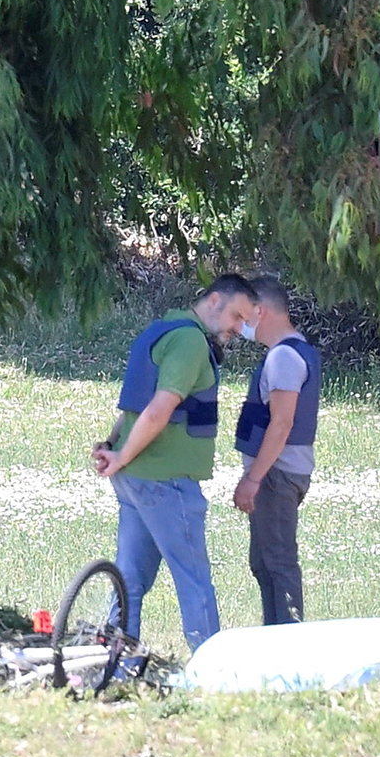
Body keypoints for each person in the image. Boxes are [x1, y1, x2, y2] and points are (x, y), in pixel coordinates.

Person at [93, 274, 258, 651]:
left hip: (136, 477)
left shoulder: (163, 327)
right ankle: (211, 669)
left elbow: (134, 406)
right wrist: (118, 454)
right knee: (194, 580)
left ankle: (116, 660)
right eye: (236, 316)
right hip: (165, 481)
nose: (238, 328)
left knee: (129, 578)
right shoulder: (189, 342)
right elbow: (159, 409)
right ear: (214, 300)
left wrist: (115, 447)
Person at [232, 276, 321, 625]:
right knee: (264, 562)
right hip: (276, 474)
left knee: (279, 562)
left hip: (276, 475)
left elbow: (281, 424)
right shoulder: (291, 352)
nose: (240, 324)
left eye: (244, 314)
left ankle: (289, 641)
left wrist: (253, 479)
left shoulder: (284, 357)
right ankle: (275, 637)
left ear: (261, 311)